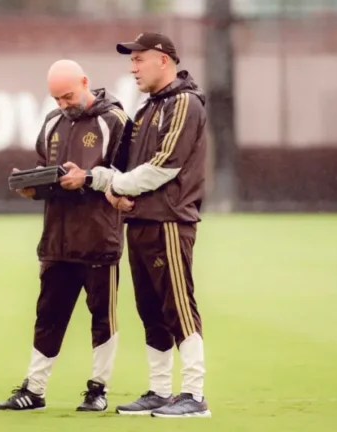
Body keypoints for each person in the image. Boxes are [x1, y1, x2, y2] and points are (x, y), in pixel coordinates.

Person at [0, 59, 133, 412]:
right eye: (56, 98)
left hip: (100, 238)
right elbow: (47, 172)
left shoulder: (114, 120)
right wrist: (33, 187)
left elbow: (129, 174)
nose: (62, 105)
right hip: (57, 239)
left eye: (67, 96)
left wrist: (87, 178)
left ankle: (98, 390)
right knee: (48, 315)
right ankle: (34, 390)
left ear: (85, 82)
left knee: (104, 318)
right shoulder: (52, 121)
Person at [107, 32, 211, 418]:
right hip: (141, 220)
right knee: (151, 310)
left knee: (178, 306)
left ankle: (195, 395)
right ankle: (161, 391)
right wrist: (114, 192)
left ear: (163, 60)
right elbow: (126, 167)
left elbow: (165, 165)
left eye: (139, 59)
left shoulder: (184, 101)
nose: (132, 67)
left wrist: (116, 185)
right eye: (130, 60)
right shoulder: (149, 106)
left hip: (169, 220)